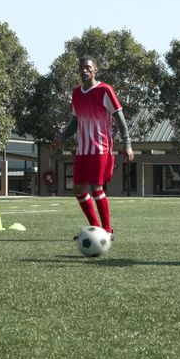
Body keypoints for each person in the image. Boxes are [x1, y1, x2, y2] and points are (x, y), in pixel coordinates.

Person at [59, 55, 134, 238]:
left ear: (95, 70)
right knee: (78, 190)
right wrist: (60, 138)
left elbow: (120, 119)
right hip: (82, 150)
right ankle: (95, 229)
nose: (84, 70)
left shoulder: (104, 90)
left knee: (96, 188)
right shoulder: (76, 92)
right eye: (81, 68)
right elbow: (74, 122)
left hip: (100, 148)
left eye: (88, 67)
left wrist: (128, 144)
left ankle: (107, 231)